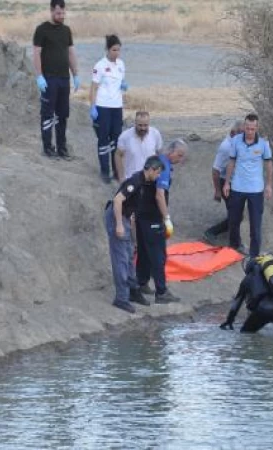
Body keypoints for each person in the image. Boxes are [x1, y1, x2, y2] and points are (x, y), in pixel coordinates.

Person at [104, 155, 165, 314]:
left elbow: (131, 212)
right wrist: (118, 225)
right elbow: (118, 200)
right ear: (152, 170)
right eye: (158, 173)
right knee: (121, 259)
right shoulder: (136, 181)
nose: (158, 177)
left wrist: (133, 236)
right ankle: (121, 298)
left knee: (130, 254)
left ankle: (133, 291)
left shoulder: (144, 182)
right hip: (117, 216)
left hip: (125, 217)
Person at [135, 139, 188, 303]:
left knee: (144, 251)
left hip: (141, 214)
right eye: (179, 155)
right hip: (153, 217)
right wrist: (167, 218)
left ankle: (141, 282)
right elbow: (160, 194)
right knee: (158, 254)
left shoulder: (155, 161)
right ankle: (161, 291)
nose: (181, 159)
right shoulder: (162, 168)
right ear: (171, 151)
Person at [32, 0, 80, 159]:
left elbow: (71, 53)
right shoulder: (42, 30)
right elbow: (37, 53)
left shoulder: (66, 31)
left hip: (64, 79)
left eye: (63, 13)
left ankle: (62, 148)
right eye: (58, 13)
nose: (61, 16)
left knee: (62, 115)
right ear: (52, 11)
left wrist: (76, 74)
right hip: (49, 79)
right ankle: (47, 148)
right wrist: (39, 76)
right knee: (47, 114)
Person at [222, 113, 273, 257]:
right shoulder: (236, 141)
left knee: (255, 225)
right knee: (234, 220)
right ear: (244, 127)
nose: (249, 132)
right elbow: (231, 162)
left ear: (257, 128)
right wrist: (227, 183)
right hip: (237, 188)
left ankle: (254, 255)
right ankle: (233, 249)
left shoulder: (263, 144)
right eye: (247, 128)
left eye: (252, 129)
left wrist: (269, 185)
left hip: (256, 190)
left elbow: (269, 164)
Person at [219, 254, 273, 334]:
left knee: (246, 334)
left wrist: (229, 321)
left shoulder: (248, 278)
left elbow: (237, 303)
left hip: (263, 311)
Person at [90, 34, 128, 183]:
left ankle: (116, 170)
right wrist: (93, 106)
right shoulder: (99, 65)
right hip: (103, 106)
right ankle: (104, 170)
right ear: (107, 49)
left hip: (116, 106)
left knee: (117, 140)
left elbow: (121, 81)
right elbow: (93, 88)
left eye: (118, 50)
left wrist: (124, 85)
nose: (116, 53)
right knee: (103, 138)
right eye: (114, 50)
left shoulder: (121, 64)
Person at [202, 120, 243, 244]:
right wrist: (218, 191)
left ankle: (213, 233)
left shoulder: (239, 143)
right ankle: (215, 234)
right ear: (232, 133)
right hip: (226, 183)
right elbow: (215, 170)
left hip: (235, 183)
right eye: (240, 133)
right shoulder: (226, 148)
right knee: (236, 215)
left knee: (237, 215)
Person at [115, 111, 164, 182]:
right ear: (135, 123)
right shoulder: (125, 136)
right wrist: (121, 177)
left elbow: (160, 153)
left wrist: (159, 174)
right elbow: (118, 155)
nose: (143, 128)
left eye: (145, 125)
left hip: (150, 178)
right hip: (131, 178)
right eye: (140, 125)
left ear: (149, 123)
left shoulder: (155, 134)